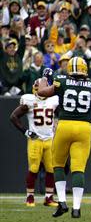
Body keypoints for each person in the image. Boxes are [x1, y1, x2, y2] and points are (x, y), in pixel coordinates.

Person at [37, 57, 91, 219]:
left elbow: (42, 93)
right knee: (78, 168)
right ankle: (76, 208)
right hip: (84, 127)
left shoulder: (61, 80)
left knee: (58, 165)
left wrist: (44, 77)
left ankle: (62, 202)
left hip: (64, 125)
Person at [9, 79, 59, 207]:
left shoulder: (53, 101)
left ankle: (49, 197)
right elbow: (13, 116)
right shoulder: (29, 100)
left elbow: (60, 114)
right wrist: (26, 132)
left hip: (49, 139)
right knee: (33, 169)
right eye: (38, 88)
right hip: (35, 139)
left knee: (51, 169)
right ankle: (30, 197)